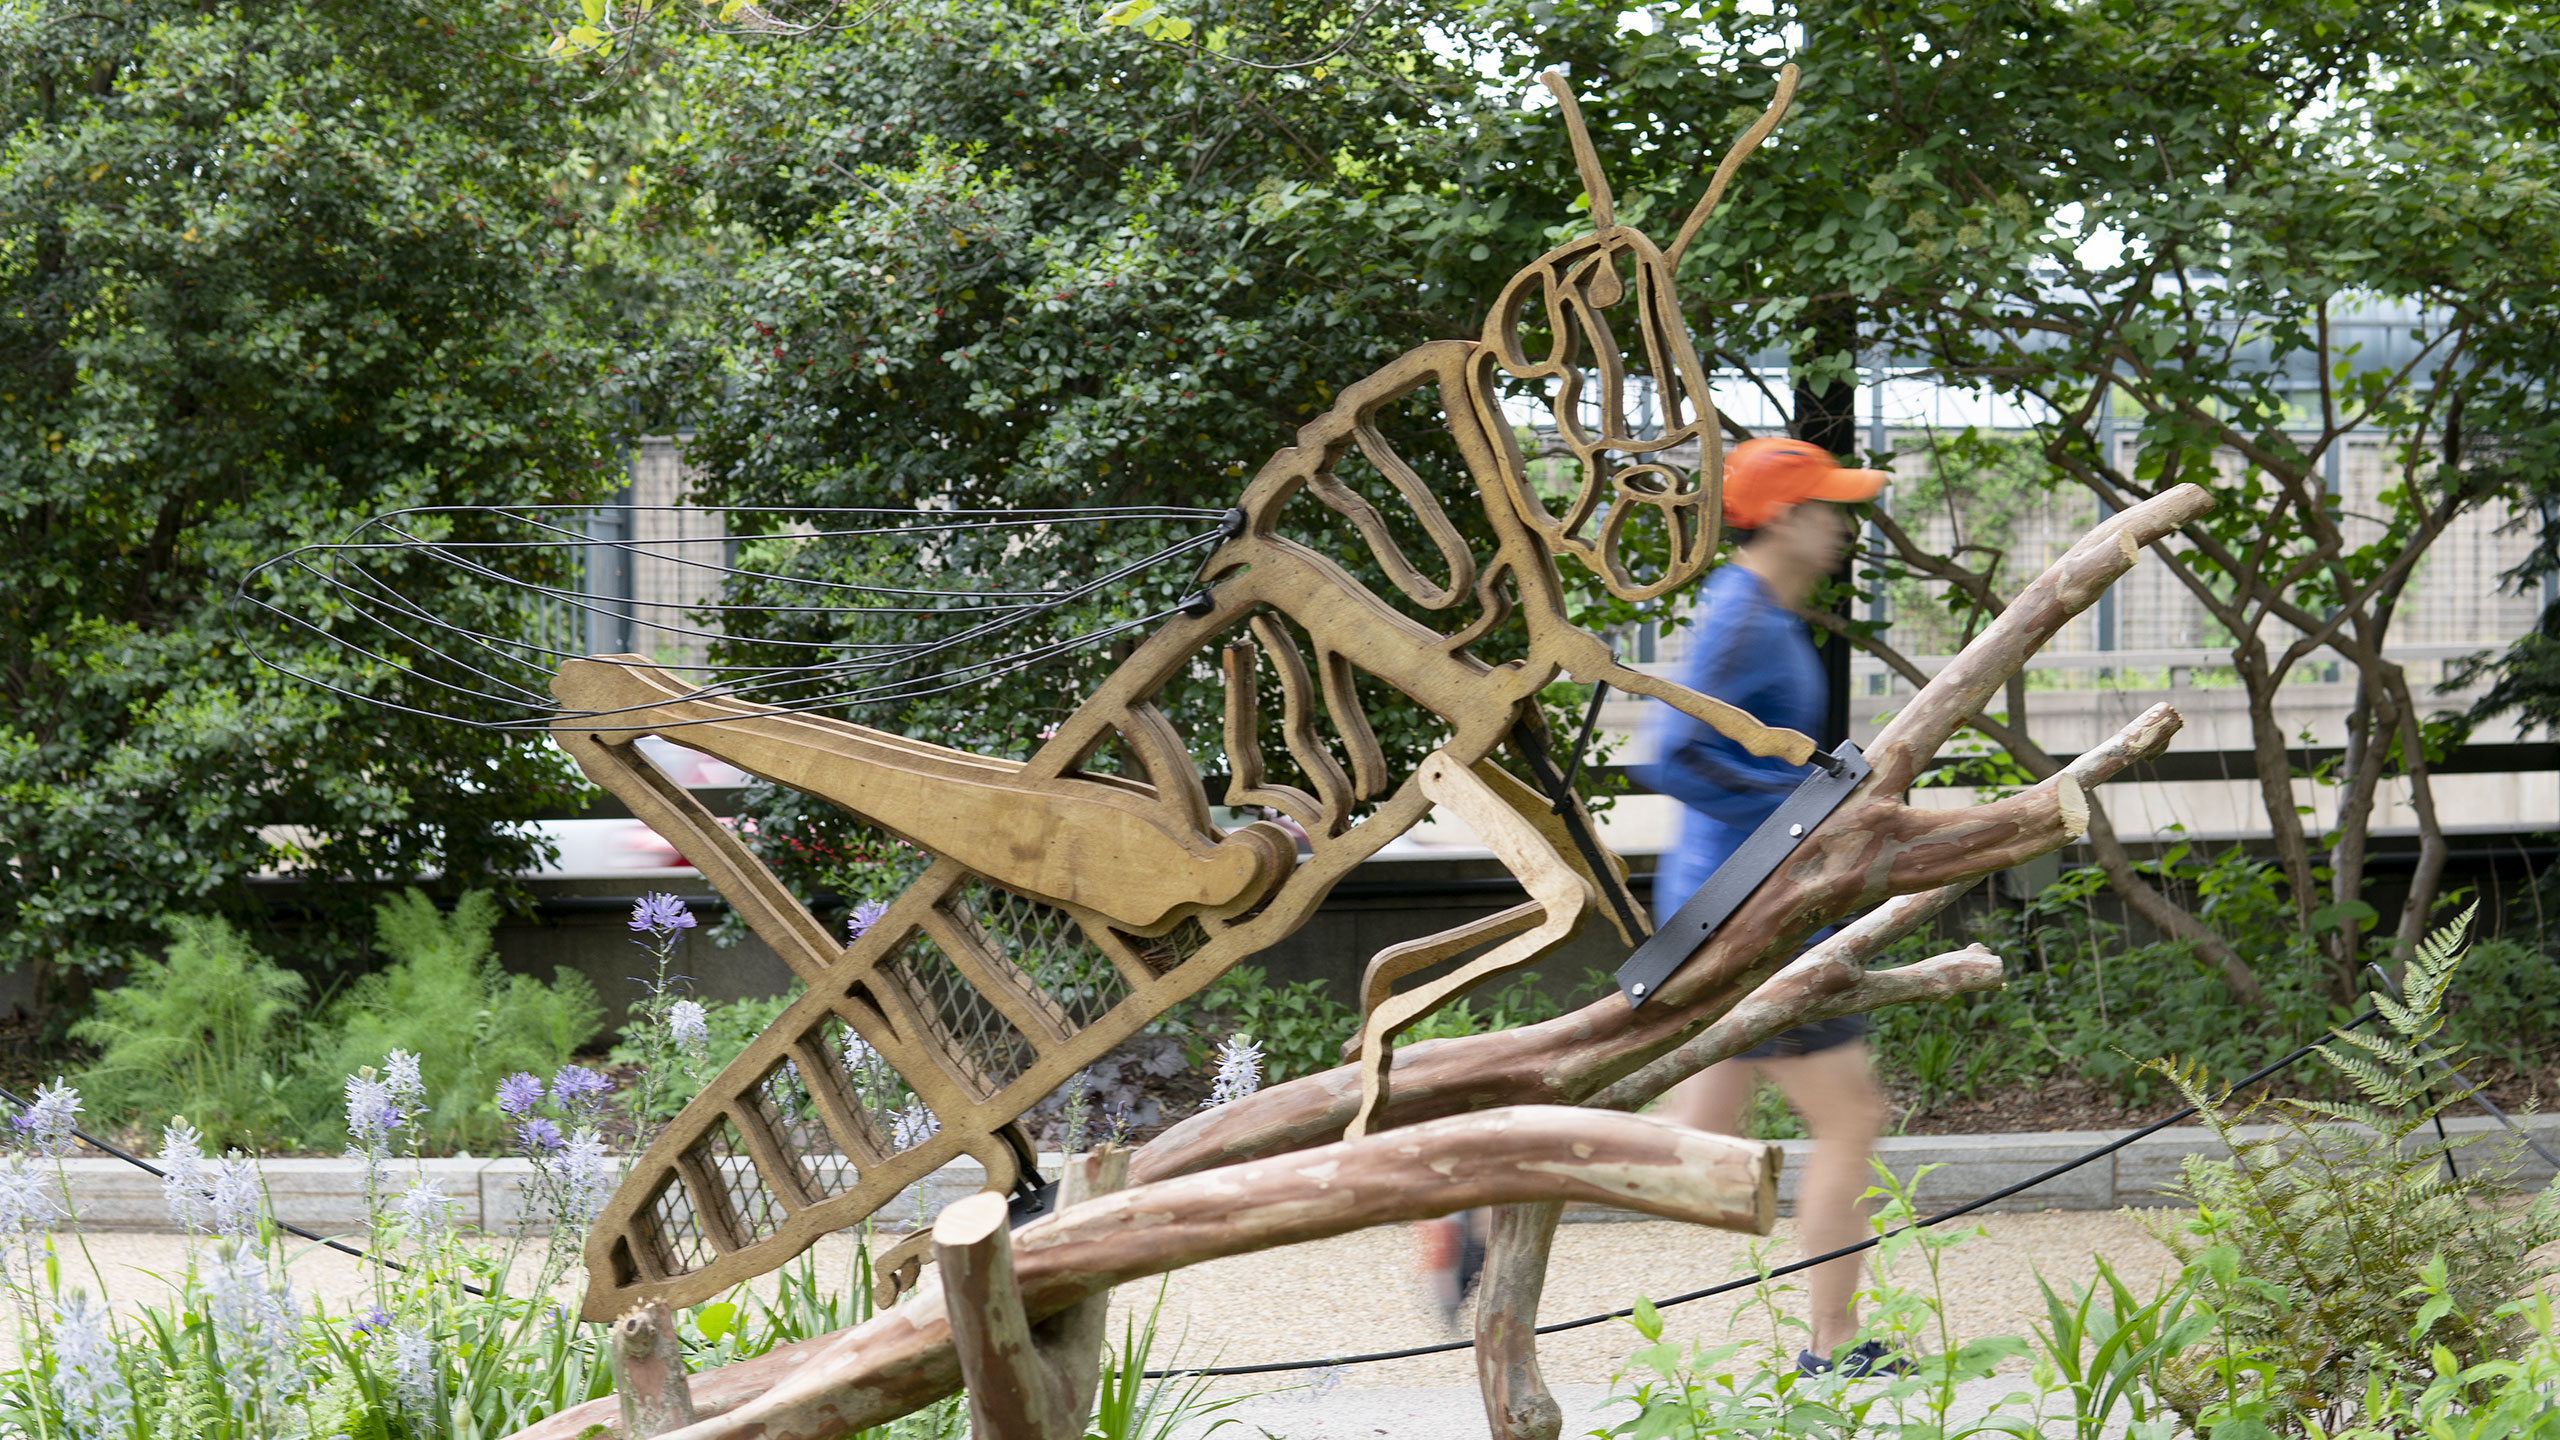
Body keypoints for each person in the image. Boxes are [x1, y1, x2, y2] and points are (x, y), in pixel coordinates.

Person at [1636, 436, 1896, 1377]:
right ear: (1785, 517)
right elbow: (1667, 754)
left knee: (1694, 1146)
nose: (1840, 527)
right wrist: (1803, 814)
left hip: (1745, 892)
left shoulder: (1762, 613)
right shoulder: (1742, 618)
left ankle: (1487, 1202)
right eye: (1828, 508)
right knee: (1851, 1116)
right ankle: (1832, 1344)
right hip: (1752, 902)